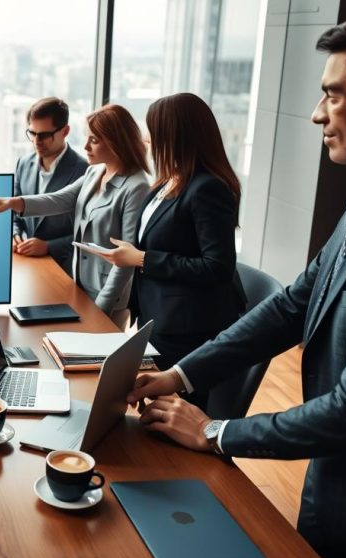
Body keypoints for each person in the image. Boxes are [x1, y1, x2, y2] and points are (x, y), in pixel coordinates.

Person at [127, 9, 346, 558]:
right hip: (335, 474)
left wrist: (215, 431)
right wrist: (180, 375)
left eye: (333, 95)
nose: (316, 114)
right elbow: (293, 305)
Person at [81, 93, 245, 406]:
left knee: (170, 415)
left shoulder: (208, 188)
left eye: (152, 131)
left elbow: (218, 266)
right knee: (150, 409)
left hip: (187, 328)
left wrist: (141, 258)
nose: (146, 138)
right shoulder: (168, 181)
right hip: (158, 317)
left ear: (175, 135)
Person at [0, 104, 150, 327]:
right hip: (79, 285)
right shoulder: (95, 171)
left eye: (94, 140)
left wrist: (102, 307)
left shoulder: (136, 186)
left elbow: (126, 260)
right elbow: (60, 199)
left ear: (116, 142)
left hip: (107, 296)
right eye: (87, 138)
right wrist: (10, 202)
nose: (86, 146)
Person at [12, 97, 89, 272]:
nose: (36, 141)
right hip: (27, 263)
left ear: (65, 131)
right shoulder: (23, 163)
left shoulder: (84, 171)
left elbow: (87, 233)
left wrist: (49, 246)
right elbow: (14, 213)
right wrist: (15, 234)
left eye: (45, 135)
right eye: (32, 133)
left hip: (64, 268)